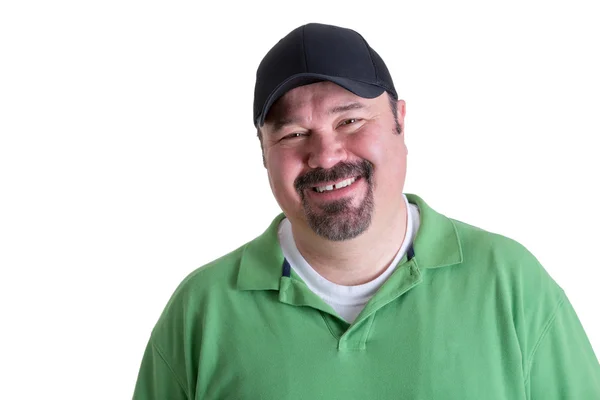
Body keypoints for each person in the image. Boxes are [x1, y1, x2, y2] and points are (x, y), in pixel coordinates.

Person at [133, 23, 600, 399]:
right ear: (263, 151)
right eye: (293, 134)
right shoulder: (201, 312)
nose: (326, 155)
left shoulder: (510, 284)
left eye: (350, 120)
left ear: (400, 119)